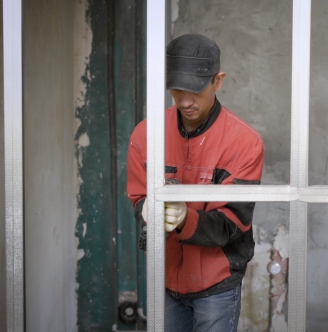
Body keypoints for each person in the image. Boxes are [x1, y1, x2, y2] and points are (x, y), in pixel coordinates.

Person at [126, 34, 264, 332]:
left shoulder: (245, 143)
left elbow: (233, 222)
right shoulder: (145, 135)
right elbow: (138, 197)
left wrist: (186, 218)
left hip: (217, 285)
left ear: (218, 81)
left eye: (195, 89)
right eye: (176, 89)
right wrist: (145, 209)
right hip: (164, 277)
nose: (185, 101)